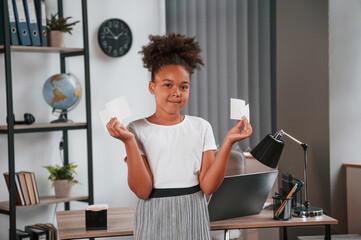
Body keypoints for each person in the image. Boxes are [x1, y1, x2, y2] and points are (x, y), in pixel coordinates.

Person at [106, 33, 252, 240]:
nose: (177, 92)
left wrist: (228, 142)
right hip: (153, 213)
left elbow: (208, 186)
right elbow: (143, 190)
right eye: (168, 85)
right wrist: (128, 140)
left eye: (183, 86)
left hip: (193, 210)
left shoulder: (201, 127)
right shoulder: (135, 129)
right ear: (152, 87)